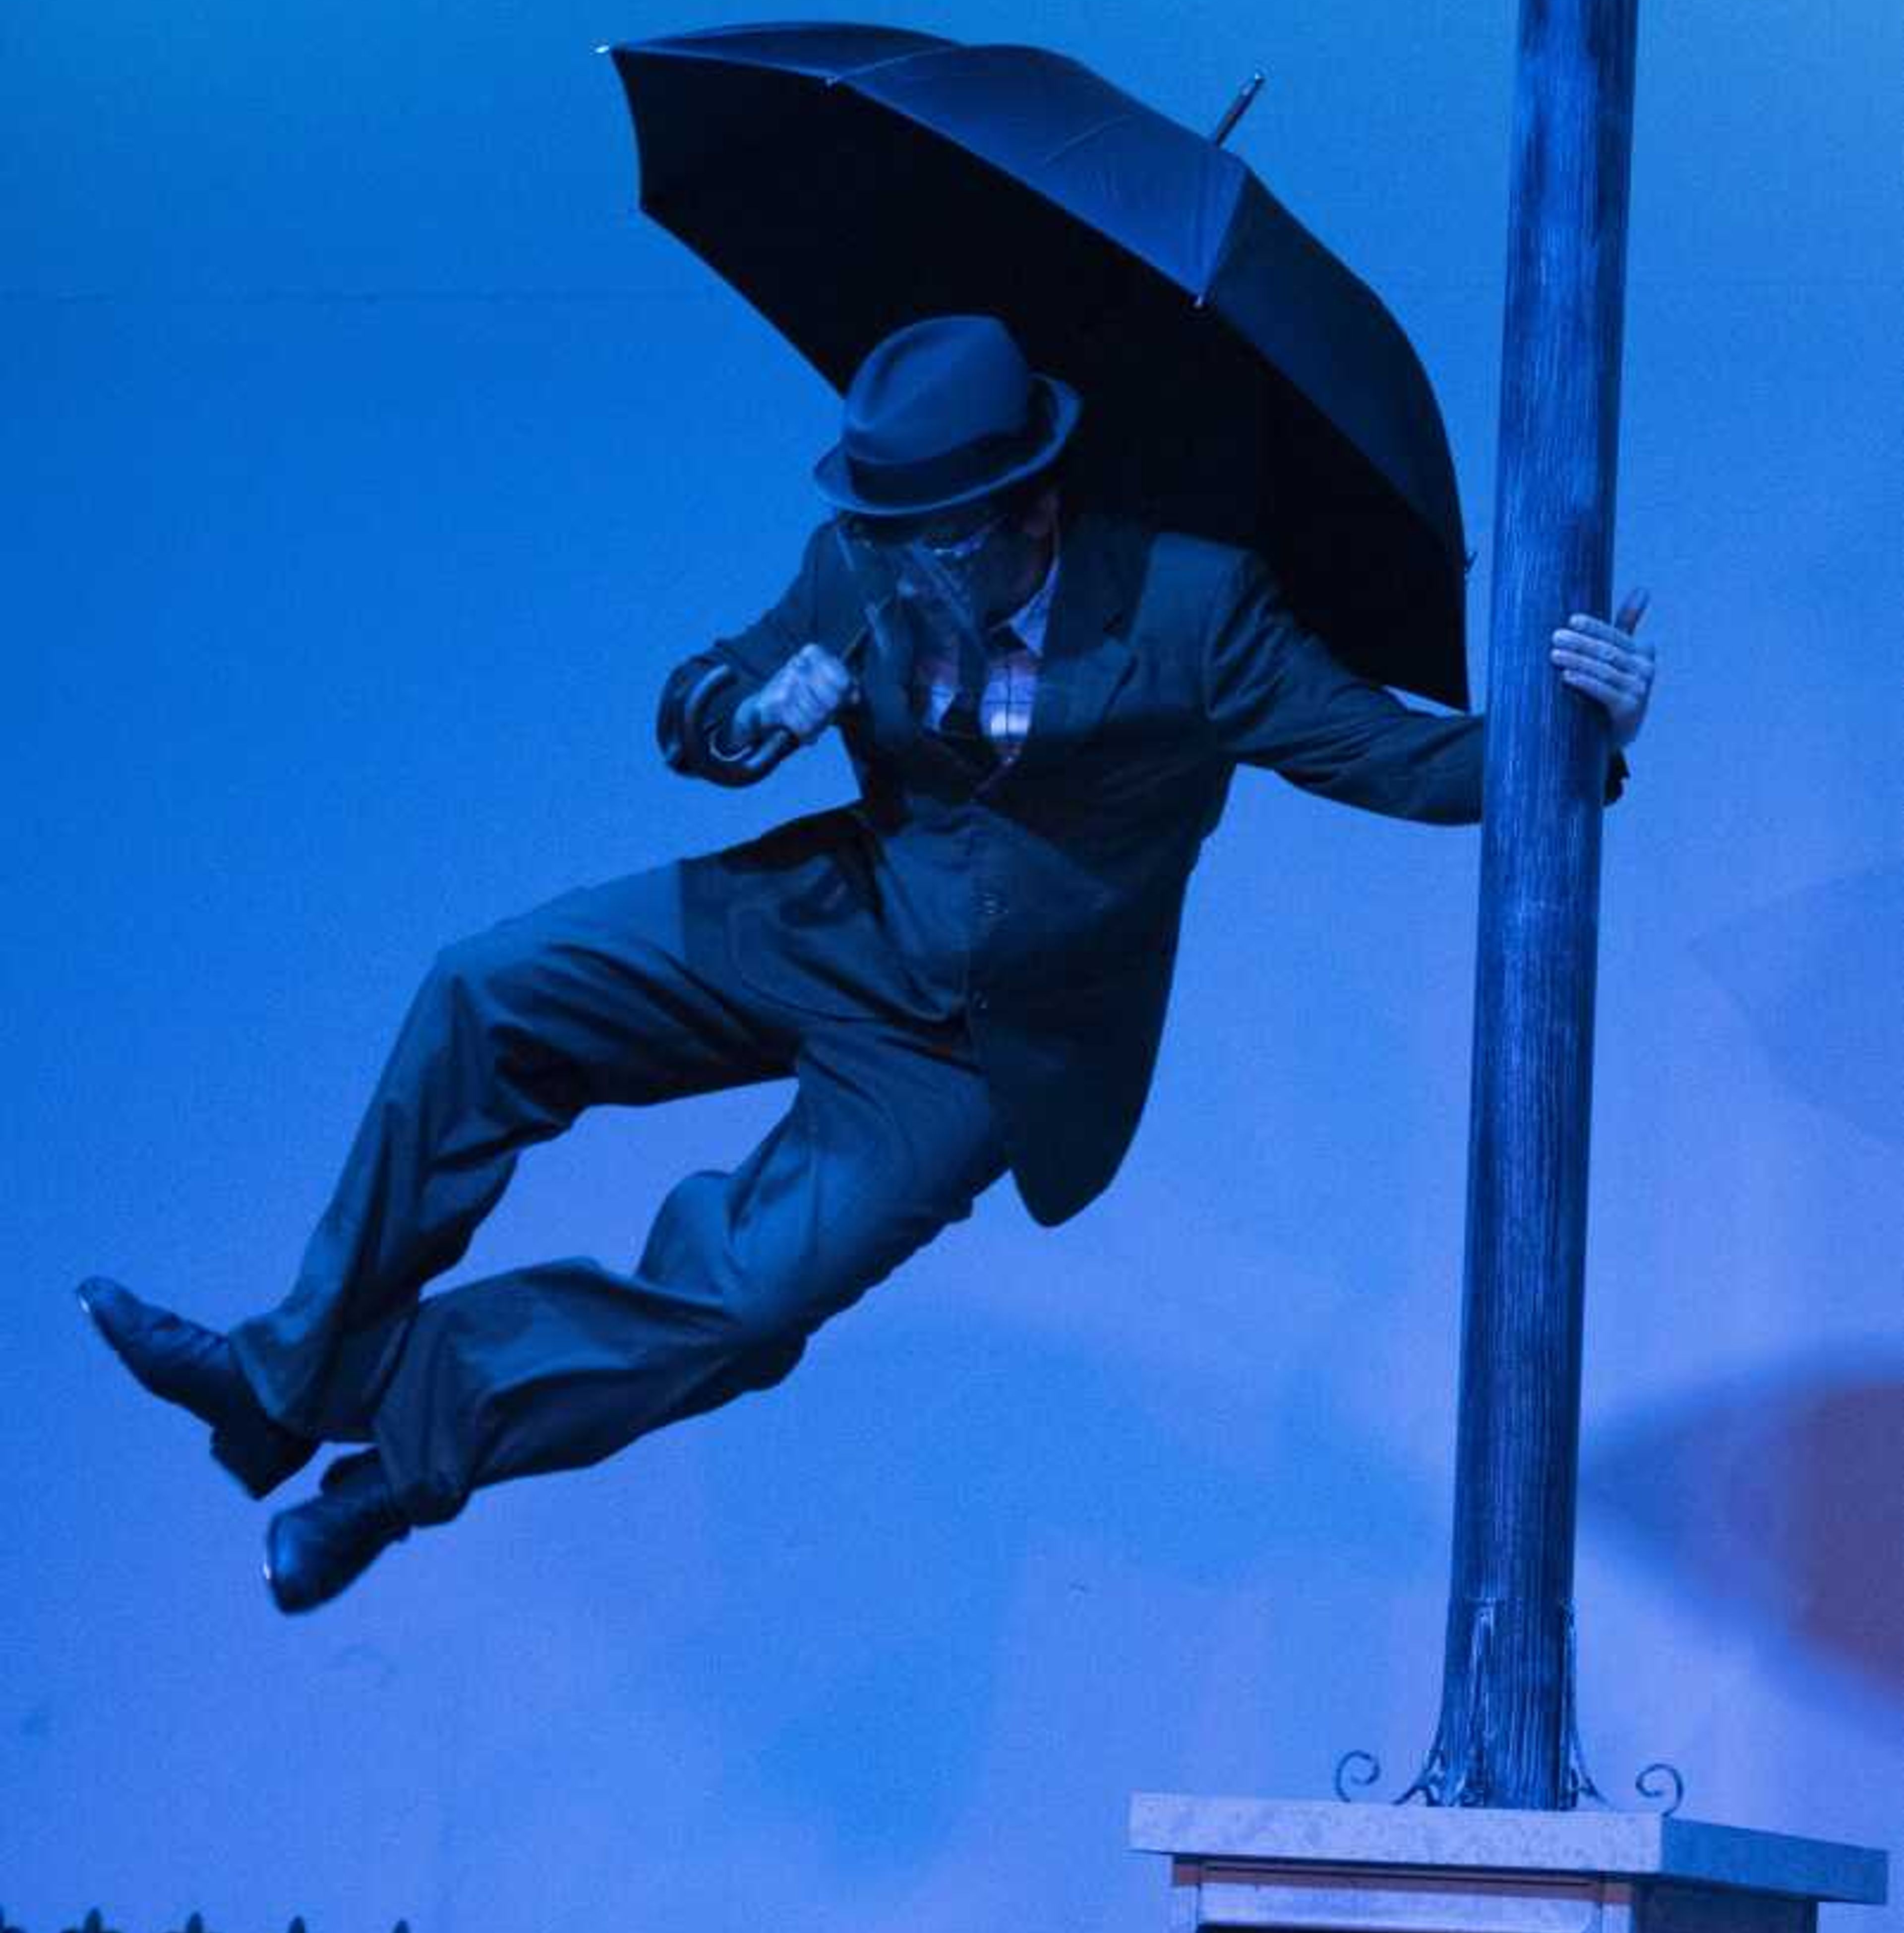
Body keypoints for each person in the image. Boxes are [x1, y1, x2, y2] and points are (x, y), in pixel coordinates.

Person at [78, 312, 1657, 1612]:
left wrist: (1582, 741)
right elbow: (701, 688)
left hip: (984, 1049)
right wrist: (743, 720)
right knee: (483, 987)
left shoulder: (1195, 611)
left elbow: (1399, 759)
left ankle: (398, 1463)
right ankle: (279, 1381)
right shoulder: (867, 564)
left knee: (741, 1304)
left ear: (1036, 499)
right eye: (886, 531)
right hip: (827, 917)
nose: (907, 566)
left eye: (941, 536)